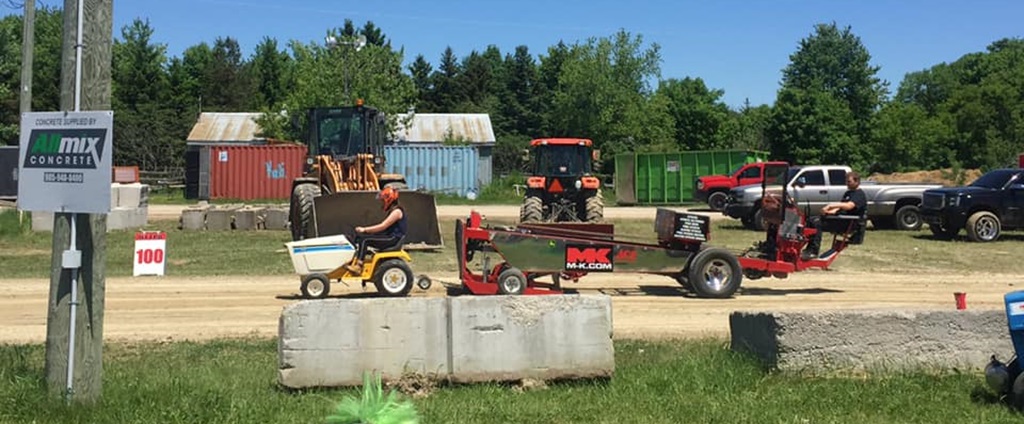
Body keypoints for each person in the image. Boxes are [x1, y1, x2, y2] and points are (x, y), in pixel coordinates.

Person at [802, 171, 867, 260]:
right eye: (846, 181)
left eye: (849, 181)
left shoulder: (859, 194)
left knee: (816, 222)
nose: (846, 183)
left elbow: (849, 206)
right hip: (840, 219)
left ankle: (813, 251)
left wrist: (831, 205)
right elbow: (841, 207)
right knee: (811, 220)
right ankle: (806, 249)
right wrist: (830, 211)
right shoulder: (848, 193)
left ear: (857, 181)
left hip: (848, 223)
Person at [342, 186, 407, 274]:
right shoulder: (394, 210)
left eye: (382, 200)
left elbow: (382, 226)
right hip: (389, 237)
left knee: (365, 240)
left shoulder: (397, 212)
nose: (382, 203)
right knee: (359, 237)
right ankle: (351, 260)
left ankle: (358, 266)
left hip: (393, 239)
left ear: (388, 199)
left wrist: (365, 229)